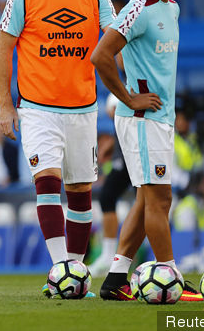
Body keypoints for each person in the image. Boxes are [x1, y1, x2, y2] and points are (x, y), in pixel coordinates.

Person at [0, 0, 116, 298]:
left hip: (83, 109)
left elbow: (116, 46)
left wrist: (130, 90)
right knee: (46, 181)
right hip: (37, 109)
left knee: (80, 191)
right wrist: (4, 104)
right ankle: (61, 269)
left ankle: (73, 277)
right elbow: (4, 50)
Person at [91, 0, 202, 301]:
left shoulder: (172, 8)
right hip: (142, 118)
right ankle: (170, 275)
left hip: (161, 119)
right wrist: (127, 98)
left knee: (145, 198)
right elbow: (100, 56)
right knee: (160, 199)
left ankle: (115, 279)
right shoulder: (137, 9)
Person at [89, 94, 132, 277]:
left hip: (135, 157)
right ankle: (111, 256)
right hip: (128, 157)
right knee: (107, 197)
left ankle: (117, 257)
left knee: (148, 203)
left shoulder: (124, 96)